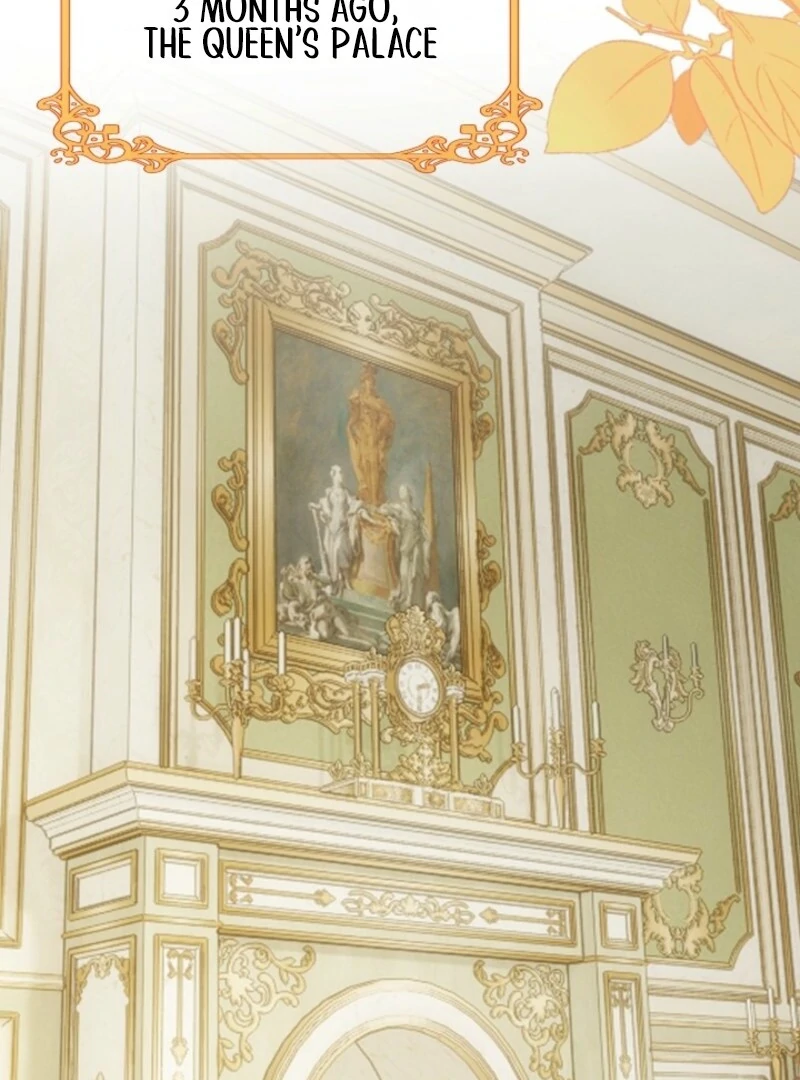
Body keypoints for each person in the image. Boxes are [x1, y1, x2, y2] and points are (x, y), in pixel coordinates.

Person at [380, 484, 430, 610]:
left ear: (409, 494)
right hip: (405, 546)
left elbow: (423, 529)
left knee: (415, 573)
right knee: (404, 573)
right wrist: (392, 519)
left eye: (404, 490)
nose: (402, 492)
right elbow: (383, 509)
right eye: (401, 490)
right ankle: (403, 596)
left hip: (416, 544)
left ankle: (411, 600)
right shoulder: (399, 508)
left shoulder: (416, 512)